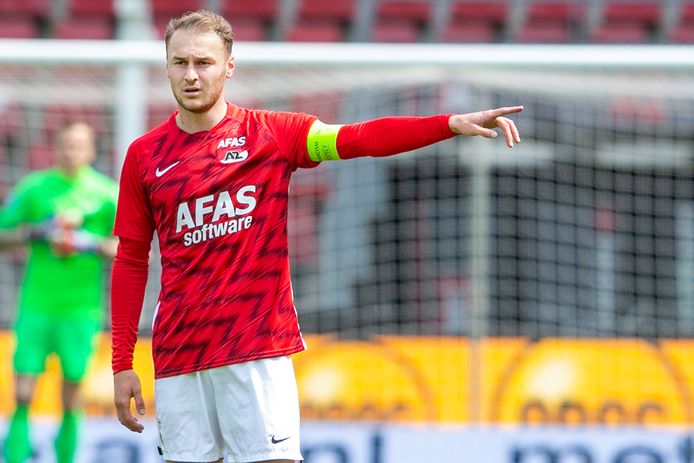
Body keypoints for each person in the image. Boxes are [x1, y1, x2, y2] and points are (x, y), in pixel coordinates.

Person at [111, 9, 522, 463]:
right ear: (166, 65)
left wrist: (446, 125)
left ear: (229, 66)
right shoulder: (145, 155)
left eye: (203, 63)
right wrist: (122, 362)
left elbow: (359, 138)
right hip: (179, 355)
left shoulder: (270, 134)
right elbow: (130, 259)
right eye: (179, 62)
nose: (191, 75)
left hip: (255, 347)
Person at [0, 122, 118, 463]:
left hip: (80, 310)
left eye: (80, 145)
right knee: (23, 391)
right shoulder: (35, 188)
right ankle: (16, 457)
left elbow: (133, 247)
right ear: (56, 148)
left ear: (92, 150)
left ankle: (65, 457)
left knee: (71, 392)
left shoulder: (105, 194)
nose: (72, 151)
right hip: (37, 305)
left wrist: (92, 244)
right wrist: (33, 233)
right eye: (67, 144)